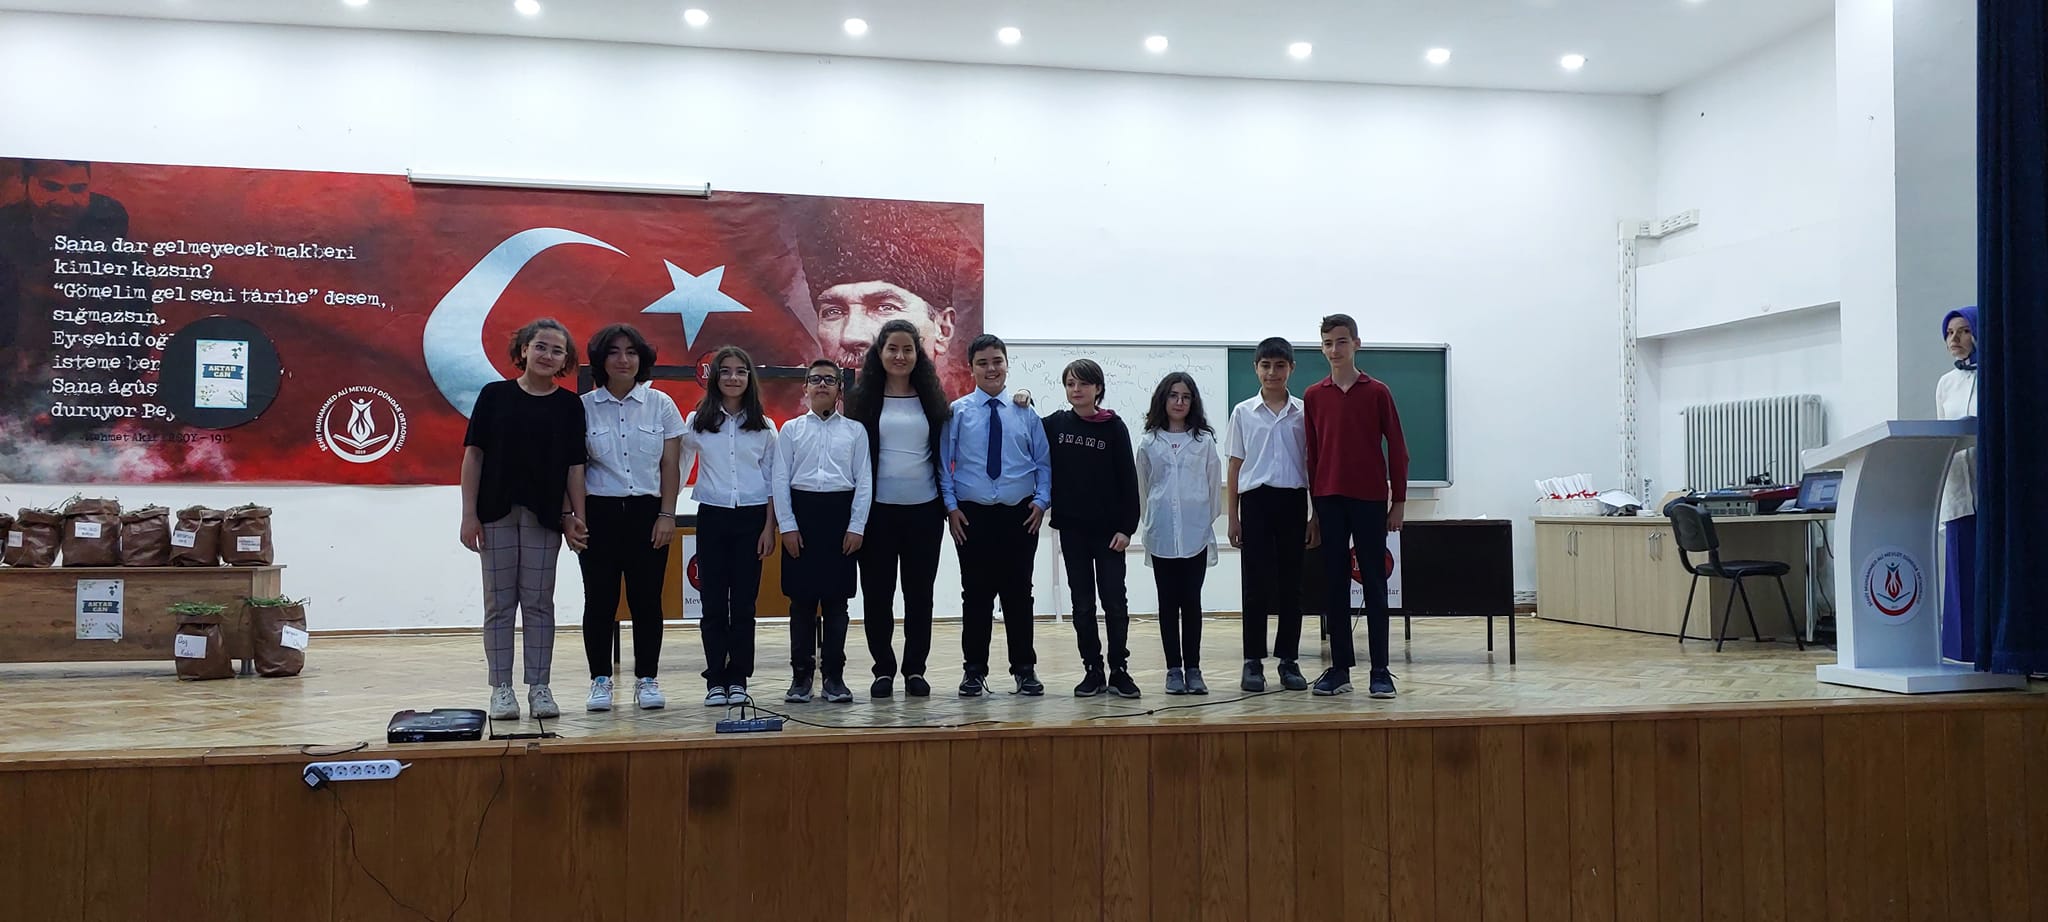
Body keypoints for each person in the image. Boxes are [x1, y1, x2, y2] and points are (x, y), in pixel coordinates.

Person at [459, 318, 589, 721]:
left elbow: (575, 467)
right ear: (523, 350)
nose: (548, 355)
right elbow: (474, 456)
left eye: (557, 350)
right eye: (541, 346)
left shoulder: (570, 405)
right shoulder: (494, 395)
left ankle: (540, 687)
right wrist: (468, 515)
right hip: (495, 513)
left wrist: (577, 517)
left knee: (538, 604)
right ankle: (501, 688)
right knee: (499, 604)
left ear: (565, 360)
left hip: (545, 517)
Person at [577, 324, 685, 712]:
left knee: (647, 600)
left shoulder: (661, 404)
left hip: (647, 514)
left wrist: (667, 514)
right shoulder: (583, 407)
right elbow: (575, 468)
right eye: (614, 352)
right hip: (599, 514)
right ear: (600, 360)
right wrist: (575, 517)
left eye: (631, 352)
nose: (623, 360)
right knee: (599, 600)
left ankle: (647, 679)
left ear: (642, 359)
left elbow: (670, 465)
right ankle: (600, 680)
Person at [940, 334, 1052, 697]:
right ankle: (974, 671)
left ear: (1006, 364)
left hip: (1020, 515)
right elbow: (944, 464)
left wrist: (1041, 502)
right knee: (975, 594)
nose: (991, 369)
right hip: (971, 516)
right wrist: (951, 508)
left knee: (1019, 593)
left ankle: (1025, 669)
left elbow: (1043, 462)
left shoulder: (1026, 412)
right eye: (983, 363)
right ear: (971, 368)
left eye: (997, 361)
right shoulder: (958, 412)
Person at [1304, 313, 1409, 698]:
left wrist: (1398, 501)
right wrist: (1315, 510)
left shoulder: (1377, 391)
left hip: (1369, 500)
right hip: (1329, 500)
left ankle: (1380, 670)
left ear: (1356, 344)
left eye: (1342, 342)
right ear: (1322, 348)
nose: (1335, 349)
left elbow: (1397, 447)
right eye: (1328, 343)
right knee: (1334, 584)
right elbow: (1312, 456)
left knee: (1375, 583)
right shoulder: (1314, 396)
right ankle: (1339, 669)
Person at [847, 319, 952, 698]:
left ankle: (915, 670)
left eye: (908, 349)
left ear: (917, 354)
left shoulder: (932, 400)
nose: (900, 356)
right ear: (880, 353)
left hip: (924, 513)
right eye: (892, 348)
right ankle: (883, 670)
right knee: (877, 595)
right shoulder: (861, 401)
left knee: (919, 595)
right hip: (877, 514)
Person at [791, 198, 983, 396]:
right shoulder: (806, 417)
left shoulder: (958, 414)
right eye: (834, 311)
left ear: (943, 328)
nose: (851, 336)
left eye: (885, 307)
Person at [774, 359, 873, 704]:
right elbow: (779, 480)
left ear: (839, 389)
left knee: (836, 603)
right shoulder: (790, 430)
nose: (822, 385)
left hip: (839, 519)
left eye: (829, 380)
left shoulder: (855, 432)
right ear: (805, 387)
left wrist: (856, 526)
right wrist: (787, 526)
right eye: (815, 379)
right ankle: (801, 677)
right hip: (801, 518)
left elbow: (864, 482)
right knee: (801, 603)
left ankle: (834, 676)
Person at [686, 345, 780, 708]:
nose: (733, 378)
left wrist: (769, 528)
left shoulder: (764, 427)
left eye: (740, 371)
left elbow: (772, 481)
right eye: (725, 371)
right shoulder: (697, 421)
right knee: (712, 603)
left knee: (743, 604)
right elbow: (679, 465)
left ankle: (738, 678)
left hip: (752, 520)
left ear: (749, 378)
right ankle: (715, 679)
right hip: (712, 516)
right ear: (714, 377)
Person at [1044, 359, 1142, 698]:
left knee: (1114, 602)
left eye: (1083, 383)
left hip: (1110, 533)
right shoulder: (1056, 424)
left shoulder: (1114, 427)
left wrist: (1127, 528)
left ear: (1098, 388)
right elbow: (1023, 426)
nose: (1076, 389)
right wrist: (1024, 394)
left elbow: (1129, 481)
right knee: (1082, 604)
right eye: (1070, 384)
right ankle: (1092, 669)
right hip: (1073, 532)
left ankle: (1119, 669)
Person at [1227, 337, 1318, 692]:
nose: (1272, 372)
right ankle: (1253, 661)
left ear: (1291, 368)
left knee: (1291, 586)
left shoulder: (1304, 412)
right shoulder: (1243, 412)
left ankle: (1288, 660)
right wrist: (1233, 517)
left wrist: (1315, 516)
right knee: (1255, 586)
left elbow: (1313, 466)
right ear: (1256, 368)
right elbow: (1235, 467)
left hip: (1293, 502)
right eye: (1265, 365)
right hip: (1256, 503)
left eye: (1280, 366)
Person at [1138, 372, 1225, 695]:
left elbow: (1213, 488)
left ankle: (1194, 669)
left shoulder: (1203, 442)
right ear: (1163, 399)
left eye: (1186, 397)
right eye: (1173, 396)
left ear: (1193, 402)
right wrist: (1154, 519)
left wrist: (1200, 519)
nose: (1179, 402)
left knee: (1191, 602)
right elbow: (1143, 488)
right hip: (1161, 534)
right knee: (1167, 603)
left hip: (1194, 535)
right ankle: (1173, 669)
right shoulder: (1149, 442)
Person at [1937, 307, 1981, 663]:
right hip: (1958, 488)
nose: (1955, 338)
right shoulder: (1945, 384)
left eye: (1964, 330)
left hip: (1989, 483)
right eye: (1950, 332)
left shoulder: (1995, 376)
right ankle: (1961, 652)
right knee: (1960, 568)